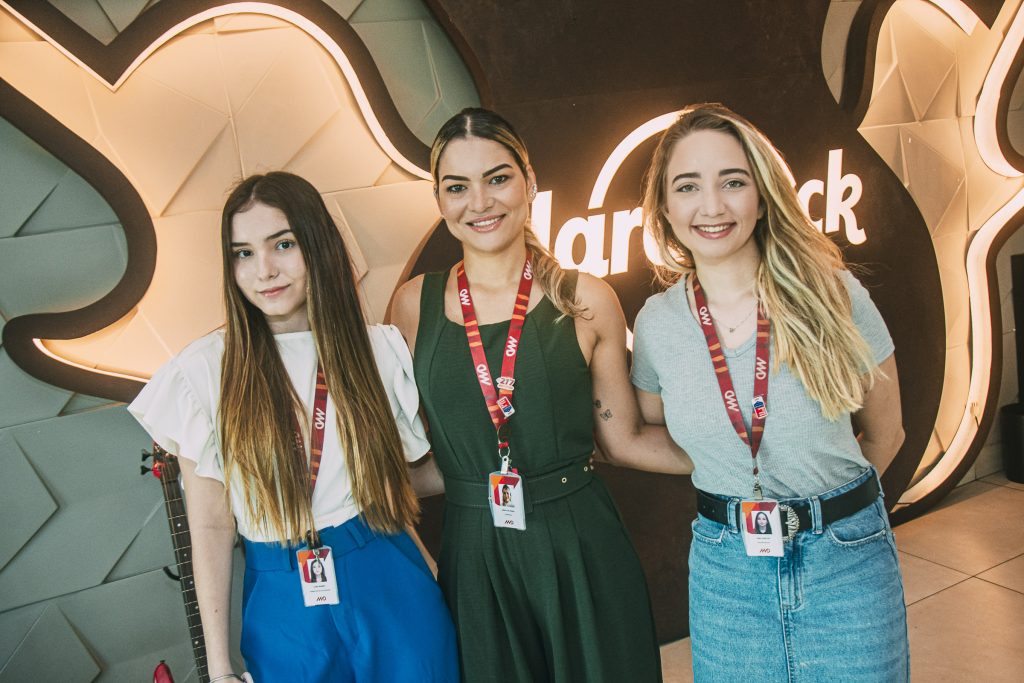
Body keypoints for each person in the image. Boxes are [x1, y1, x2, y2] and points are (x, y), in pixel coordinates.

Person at [391, 108, 689, 682]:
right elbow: (407, 456)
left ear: (528, 181)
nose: (479, 202)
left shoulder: (585, 299)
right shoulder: (411, 305)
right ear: (438, 198)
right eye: (458, 186)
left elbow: (623, 440)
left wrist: (743, 461)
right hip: (475, 556)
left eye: (497, 178)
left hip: (580, 546)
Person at [129, 172, 459, 683]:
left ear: (317, 246)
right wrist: (219, 667)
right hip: (282, 598)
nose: (264, 270)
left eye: (282, 244)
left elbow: (401, 482)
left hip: (389, 574)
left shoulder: (376, 350)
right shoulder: (203, 372)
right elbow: (213, 525)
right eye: (243, 253)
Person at [631, 103, 909, 680]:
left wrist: (827, 518)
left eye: (733, 182)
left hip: (846, 561)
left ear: (762, 194)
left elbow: (888, 432)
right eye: (688, 186)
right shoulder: (658, 324)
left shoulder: (834, 294)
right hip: (726, 569)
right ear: (663, 205)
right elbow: (662, 430)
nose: (712, 206)